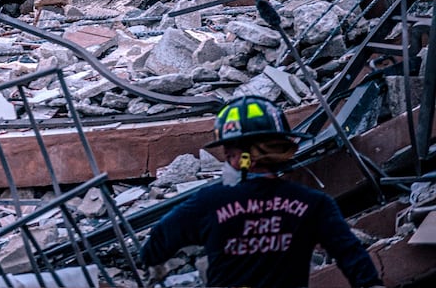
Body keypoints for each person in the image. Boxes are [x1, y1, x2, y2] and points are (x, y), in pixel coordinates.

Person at [141, 96, 383, 288]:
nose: (227, 162)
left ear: (244, 158)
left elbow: (154, 248)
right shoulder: (313, 204)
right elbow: (352, 256)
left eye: (228, 155)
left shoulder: (207, 203)